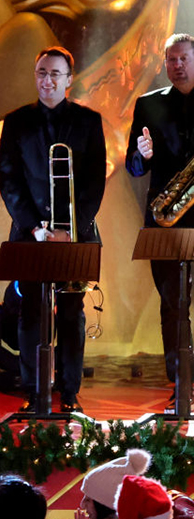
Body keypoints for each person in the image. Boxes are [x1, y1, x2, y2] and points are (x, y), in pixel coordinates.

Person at [0, 46, 107, 414]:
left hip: (75, 234)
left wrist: (70, 230)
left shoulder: (89, 121)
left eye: (54, 74)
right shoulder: (15, 121)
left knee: (72, 311)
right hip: (32, 235)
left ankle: (69, 392)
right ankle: (32, 390)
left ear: (69, 80)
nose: (47, 80)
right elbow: (9, 181)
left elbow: (94, 182)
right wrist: (34, 228)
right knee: (31, 313)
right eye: (42, 72)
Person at [126, 33, 194, 413]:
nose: (176, 65)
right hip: (166, 222)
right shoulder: (148, 105)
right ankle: (181, 384)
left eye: (182, 58)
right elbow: (134, 167)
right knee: (172, 304)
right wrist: (141, 153)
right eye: (170, 60)